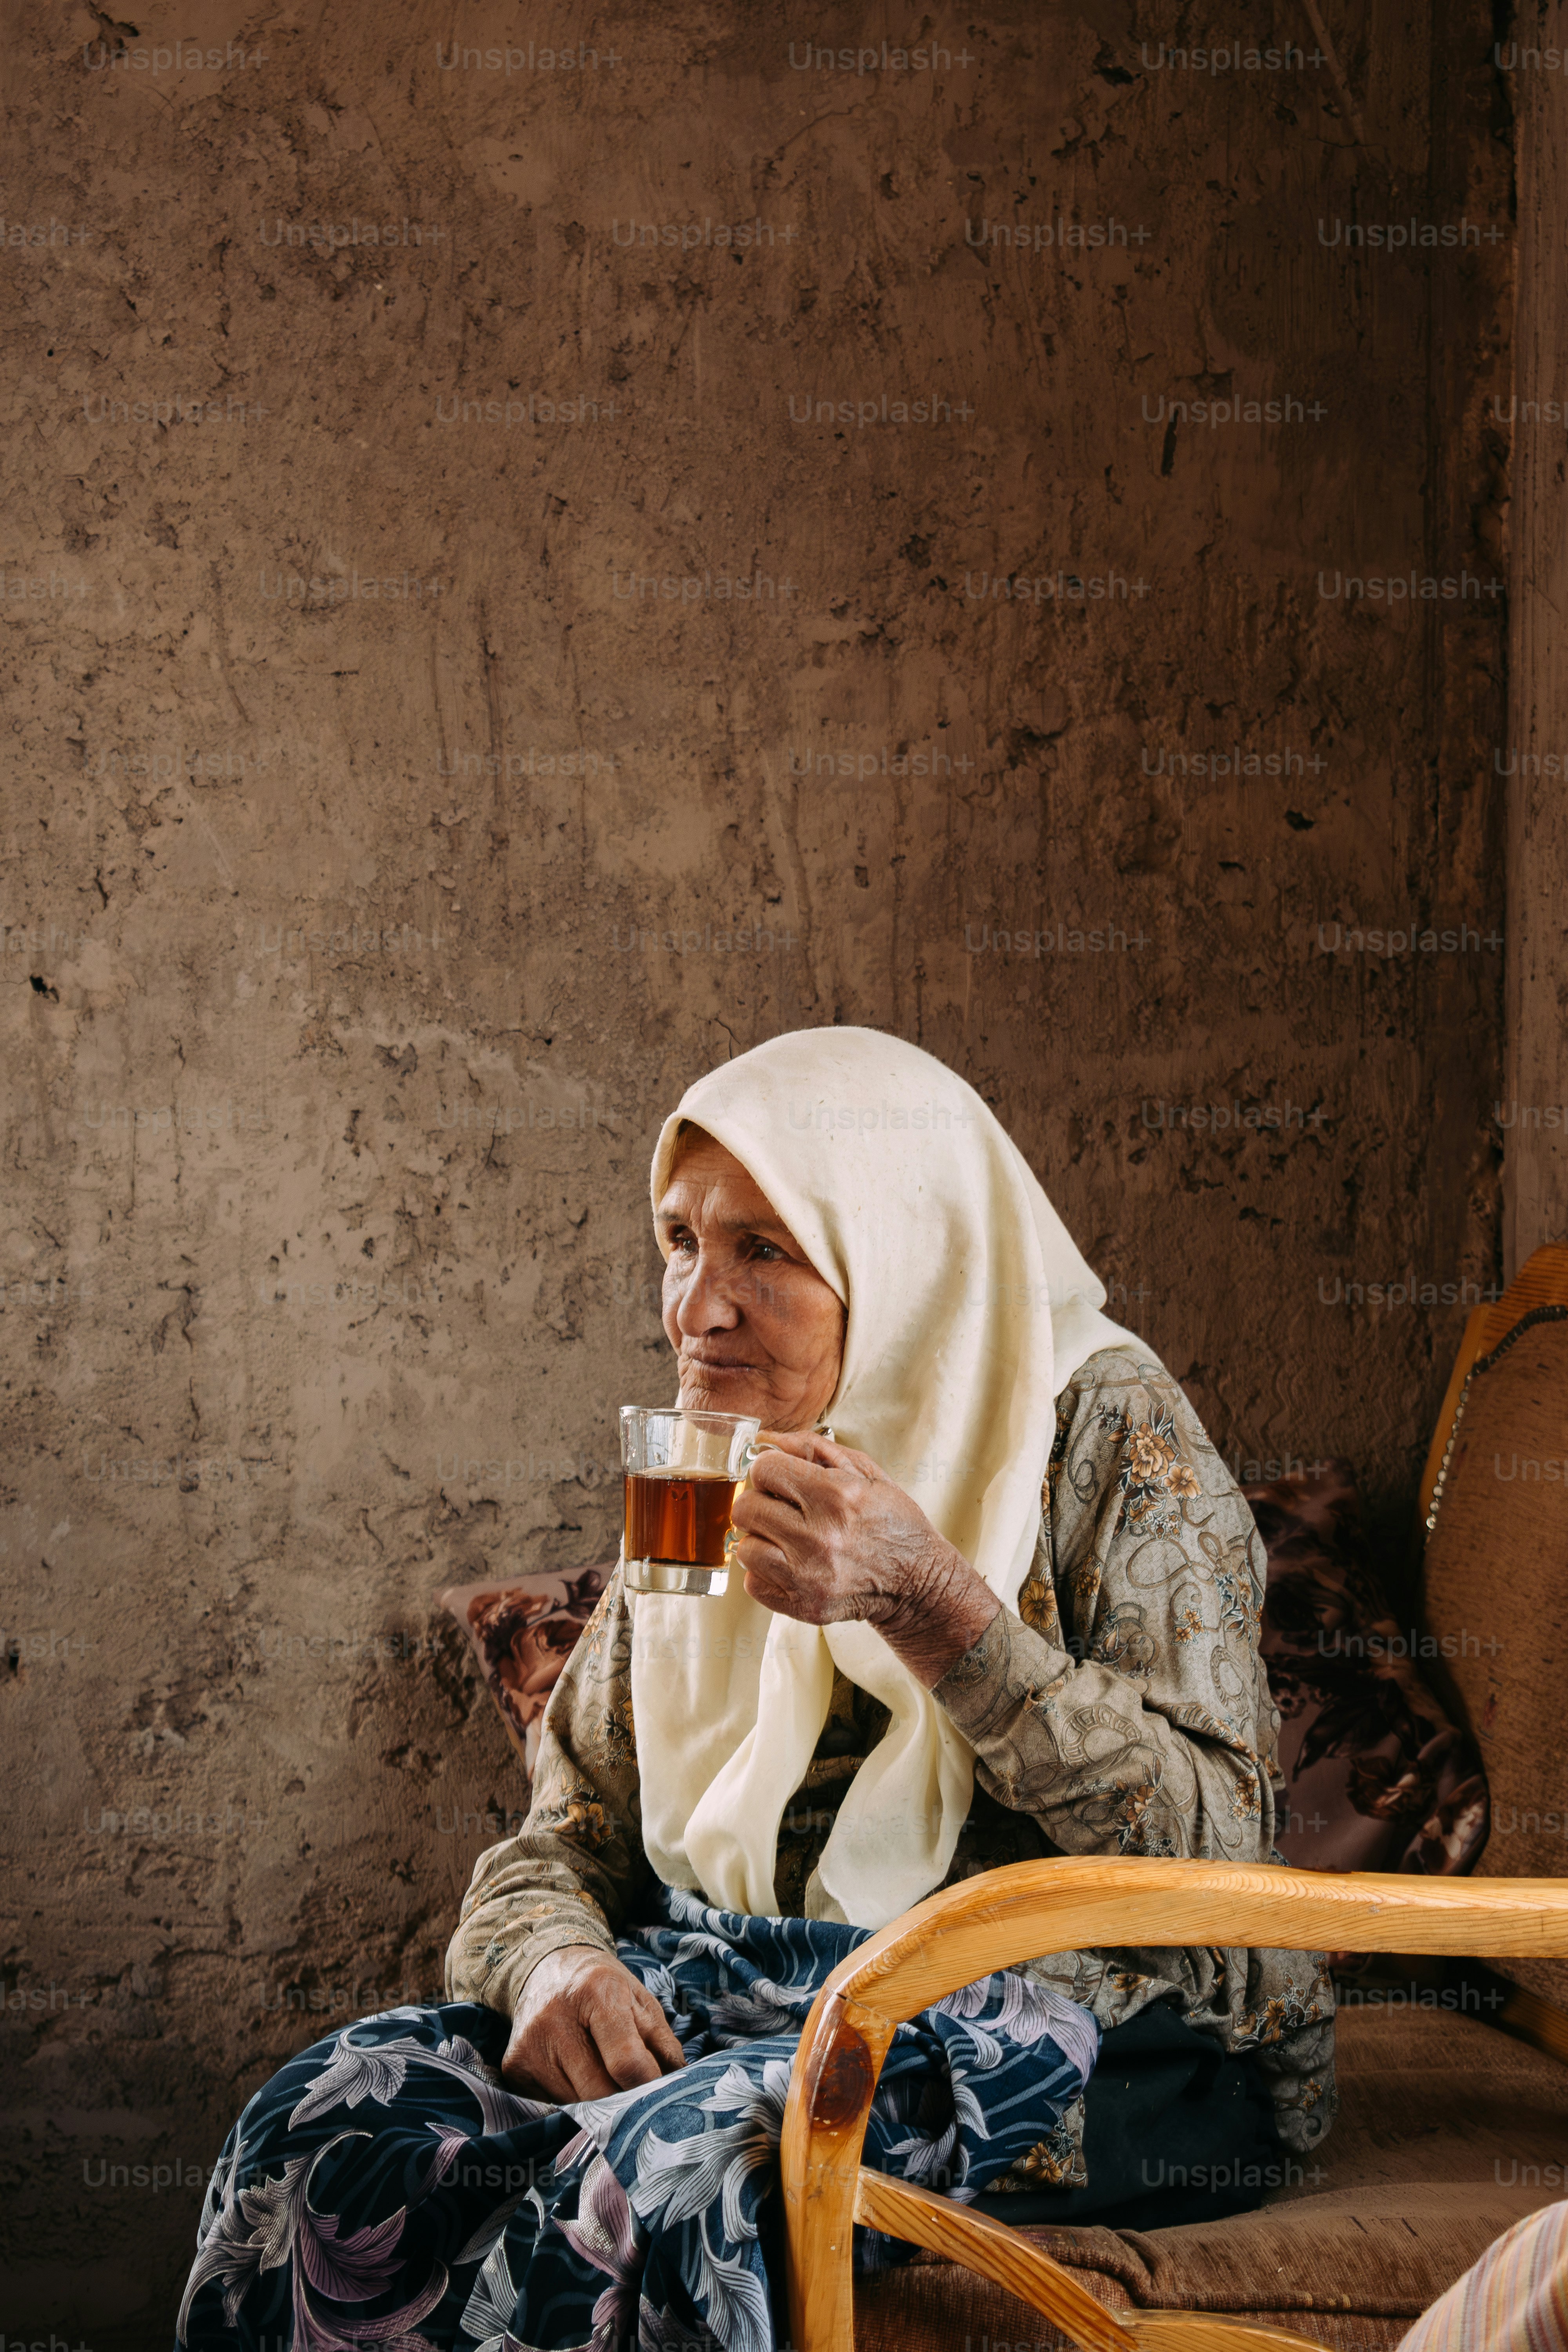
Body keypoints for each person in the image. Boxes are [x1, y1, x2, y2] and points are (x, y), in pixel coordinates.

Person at [176, 1026, 1335, 2352]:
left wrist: (931, 1604)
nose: (697, 1308)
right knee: (328, 2122)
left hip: (1087, 2033)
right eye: (680, 1241)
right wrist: (556, 1963)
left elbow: (1221, 1849)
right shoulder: (715, 1461)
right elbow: (566, 1838)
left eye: (765, 1254)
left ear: (903, 1246)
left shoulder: (1104, 1431)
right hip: (752, 1995)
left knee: (663, 2178)